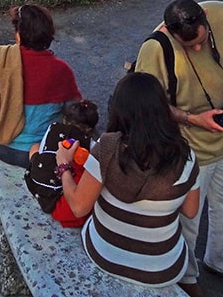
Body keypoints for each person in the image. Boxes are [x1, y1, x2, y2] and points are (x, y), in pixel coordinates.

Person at [134, 0, 223, 297]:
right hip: (184, 149)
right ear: (169, 30)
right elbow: (148, 105)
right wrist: (193, 119)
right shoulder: (155, 48)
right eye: (189, 46)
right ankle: (186, 276)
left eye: (202, 41)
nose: (199, 49)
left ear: (206, 18)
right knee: (187, 220)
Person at [55, 72, 200, 288]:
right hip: (163, 268)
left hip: (105, 255)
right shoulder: (185, 156)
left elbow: (78, 207)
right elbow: (190, 211)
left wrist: (64, 166)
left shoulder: (107, 147)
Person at [0, 4, 82, 168]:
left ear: (18, 35)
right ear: (49, 34)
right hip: (41, 151)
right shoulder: (61, 70)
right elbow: (75, 112)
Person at [25, 99, 99, 227]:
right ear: (89, 129)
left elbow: (43, 147)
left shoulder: (53, 128)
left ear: (64, 119)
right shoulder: (89, 143)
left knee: (35, 147)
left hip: (35, 181)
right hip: (58, 190)